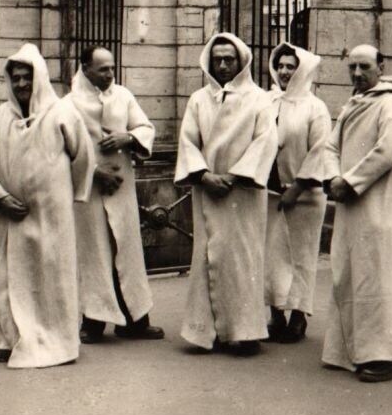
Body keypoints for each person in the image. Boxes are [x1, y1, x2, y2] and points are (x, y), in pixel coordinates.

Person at [0, 43, 94, 368]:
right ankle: (8, 338)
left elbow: (82, 156)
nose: (22, 84)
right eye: (16, 79)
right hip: (10, 214)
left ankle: (57, 340)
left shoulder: (62, 114)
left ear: (39, 77)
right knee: (1, 277)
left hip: (52, 214)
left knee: (51, 275)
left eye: (27, 77)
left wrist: (62, 193)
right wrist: (0, 198)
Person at [175, 32, 278, 356]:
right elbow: (188, 141)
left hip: (243, 193)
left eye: (228, 59)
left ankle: (245, 331)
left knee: (243, 260)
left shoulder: (259, 99)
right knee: (207, 257)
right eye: (217, 59)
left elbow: (266, 141)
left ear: (241, 61)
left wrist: (233, 177)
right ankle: (206, 330)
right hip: (208, 189)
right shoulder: (198, 99)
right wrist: (205, 176)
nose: (222, 66)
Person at [322, 44, 392, 383]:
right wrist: (333, 177)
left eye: (364, 66)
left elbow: (386, 152)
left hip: (380, 209)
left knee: (378, 278)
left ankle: (385, 356)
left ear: (381, 66)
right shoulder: (354, 102)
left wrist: (348, 182)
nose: (357, 74)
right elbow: (331, 146)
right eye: (352, 67)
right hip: (350, 205)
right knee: (348, 274)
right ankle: (348, 351)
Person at [62, 45, 164, 342]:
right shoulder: (68, 105)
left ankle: (135, 320)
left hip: (121, 188)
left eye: (111, 68)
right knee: (93, 252)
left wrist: (127, 137)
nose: (110, 74)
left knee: (127, 250)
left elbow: (145, 127)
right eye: (103, 69)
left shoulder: (124, 96)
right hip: (88, 190)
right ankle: (93, 321)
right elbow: (61, 150)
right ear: (86, 69)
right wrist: (94, 172)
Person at [264, 41, 331, 343]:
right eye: (280, 66)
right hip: (269, 193)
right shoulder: (266, 101)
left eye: (290, 67)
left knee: (301, 257)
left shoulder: (315, 107)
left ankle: (299, 316)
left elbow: (320, 150)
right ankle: (276, 314)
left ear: (302, 70)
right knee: (271, 256)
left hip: (304, 195)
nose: (284, 72)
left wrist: (299, 186)